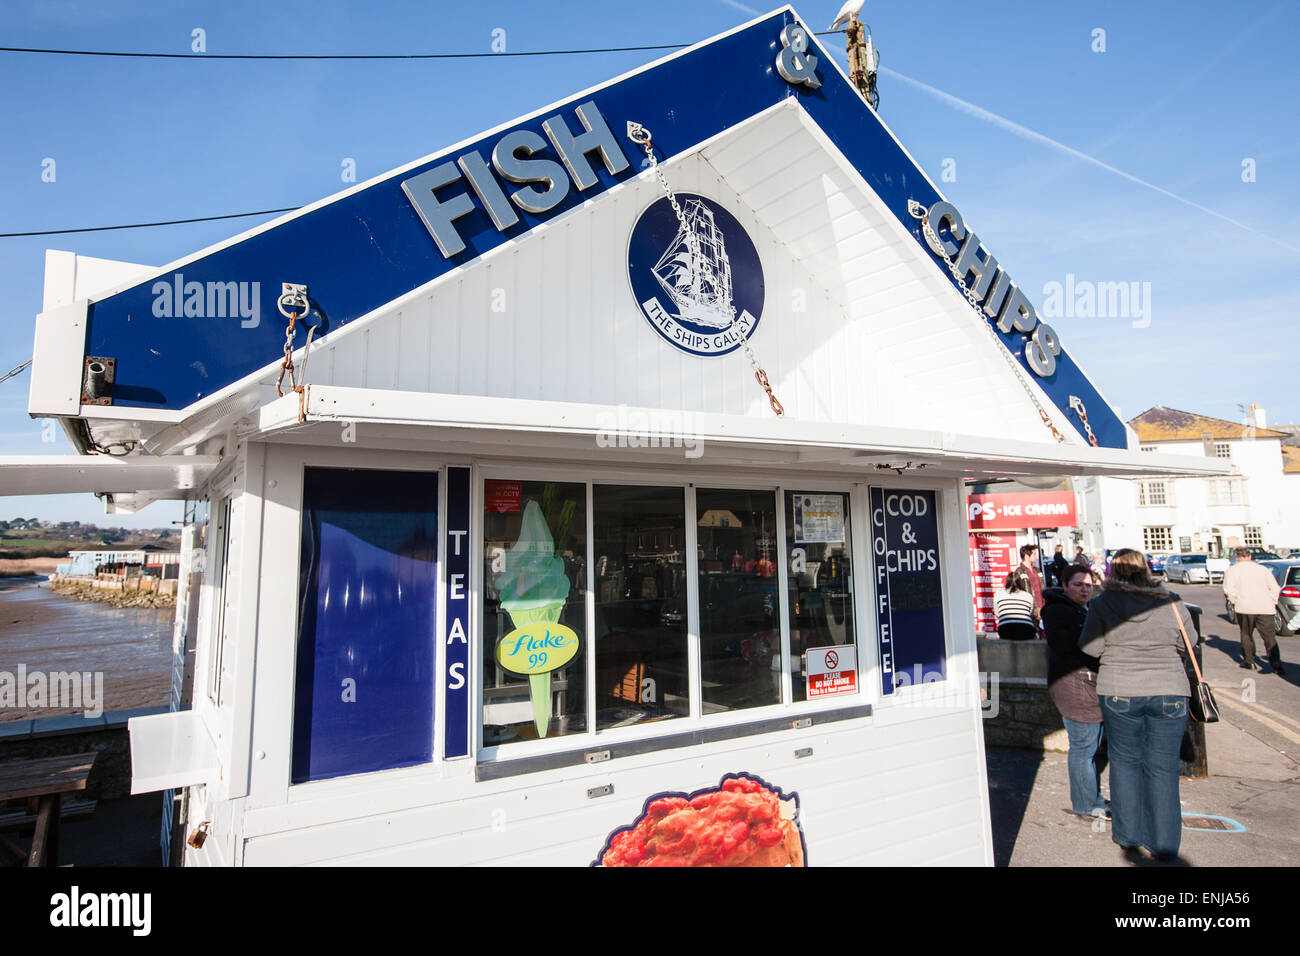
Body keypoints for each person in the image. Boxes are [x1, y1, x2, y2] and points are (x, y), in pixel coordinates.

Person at [1079, 548, 1192, 862]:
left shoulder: (1103, 604)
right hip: (1170, 691)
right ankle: (1165, 843)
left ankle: (1129, 835)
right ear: (1145, 569)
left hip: (1120, 690)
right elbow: (1190, 641)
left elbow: (1090, 647)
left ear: (1114, 572)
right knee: (1164, 768)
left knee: (1126, 763)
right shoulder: (1172, 601)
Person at [1043, 565, 1107, 818]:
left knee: (1087, 746)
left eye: (1088, 585)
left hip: (1086, 684)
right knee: (1082, 748)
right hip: (1073, 686)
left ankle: (1092, 798)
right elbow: (1066, 644)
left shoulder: (1084, 609)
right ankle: (1086, 805)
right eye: (1078, 585)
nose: (1084, 589)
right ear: (1065, 584)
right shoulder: (1057, 610)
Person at [1222, 548, 1285, 675]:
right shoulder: (1262, 569)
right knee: (1269, 637)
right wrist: (1272, 601)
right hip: (1265, 607)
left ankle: (1249, 661)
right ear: (1250, 556)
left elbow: (1229, 590)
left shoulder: (1232, 571)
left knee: (1246, 634)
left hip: (1244, 607)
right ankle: (1276, 664)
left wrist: (1235, 601)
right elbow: (1274, 587)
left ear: (1237, 557)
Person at [994, 570, 1037, 641]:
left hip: (1005, 629)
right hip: (1026, 629)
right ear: (1020, 583)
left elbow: (997, 613)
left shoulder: (998, 594)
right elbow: (1029, 613)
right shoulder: (1028, 595)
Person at [1020, 544, 1044, 616]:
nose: (1036, 557)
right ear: (1027, 556)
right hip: (1029, 608)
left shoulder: (1037, 570)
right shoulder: (1019, 571)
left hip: (1041, 606)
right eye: (1034, 554)